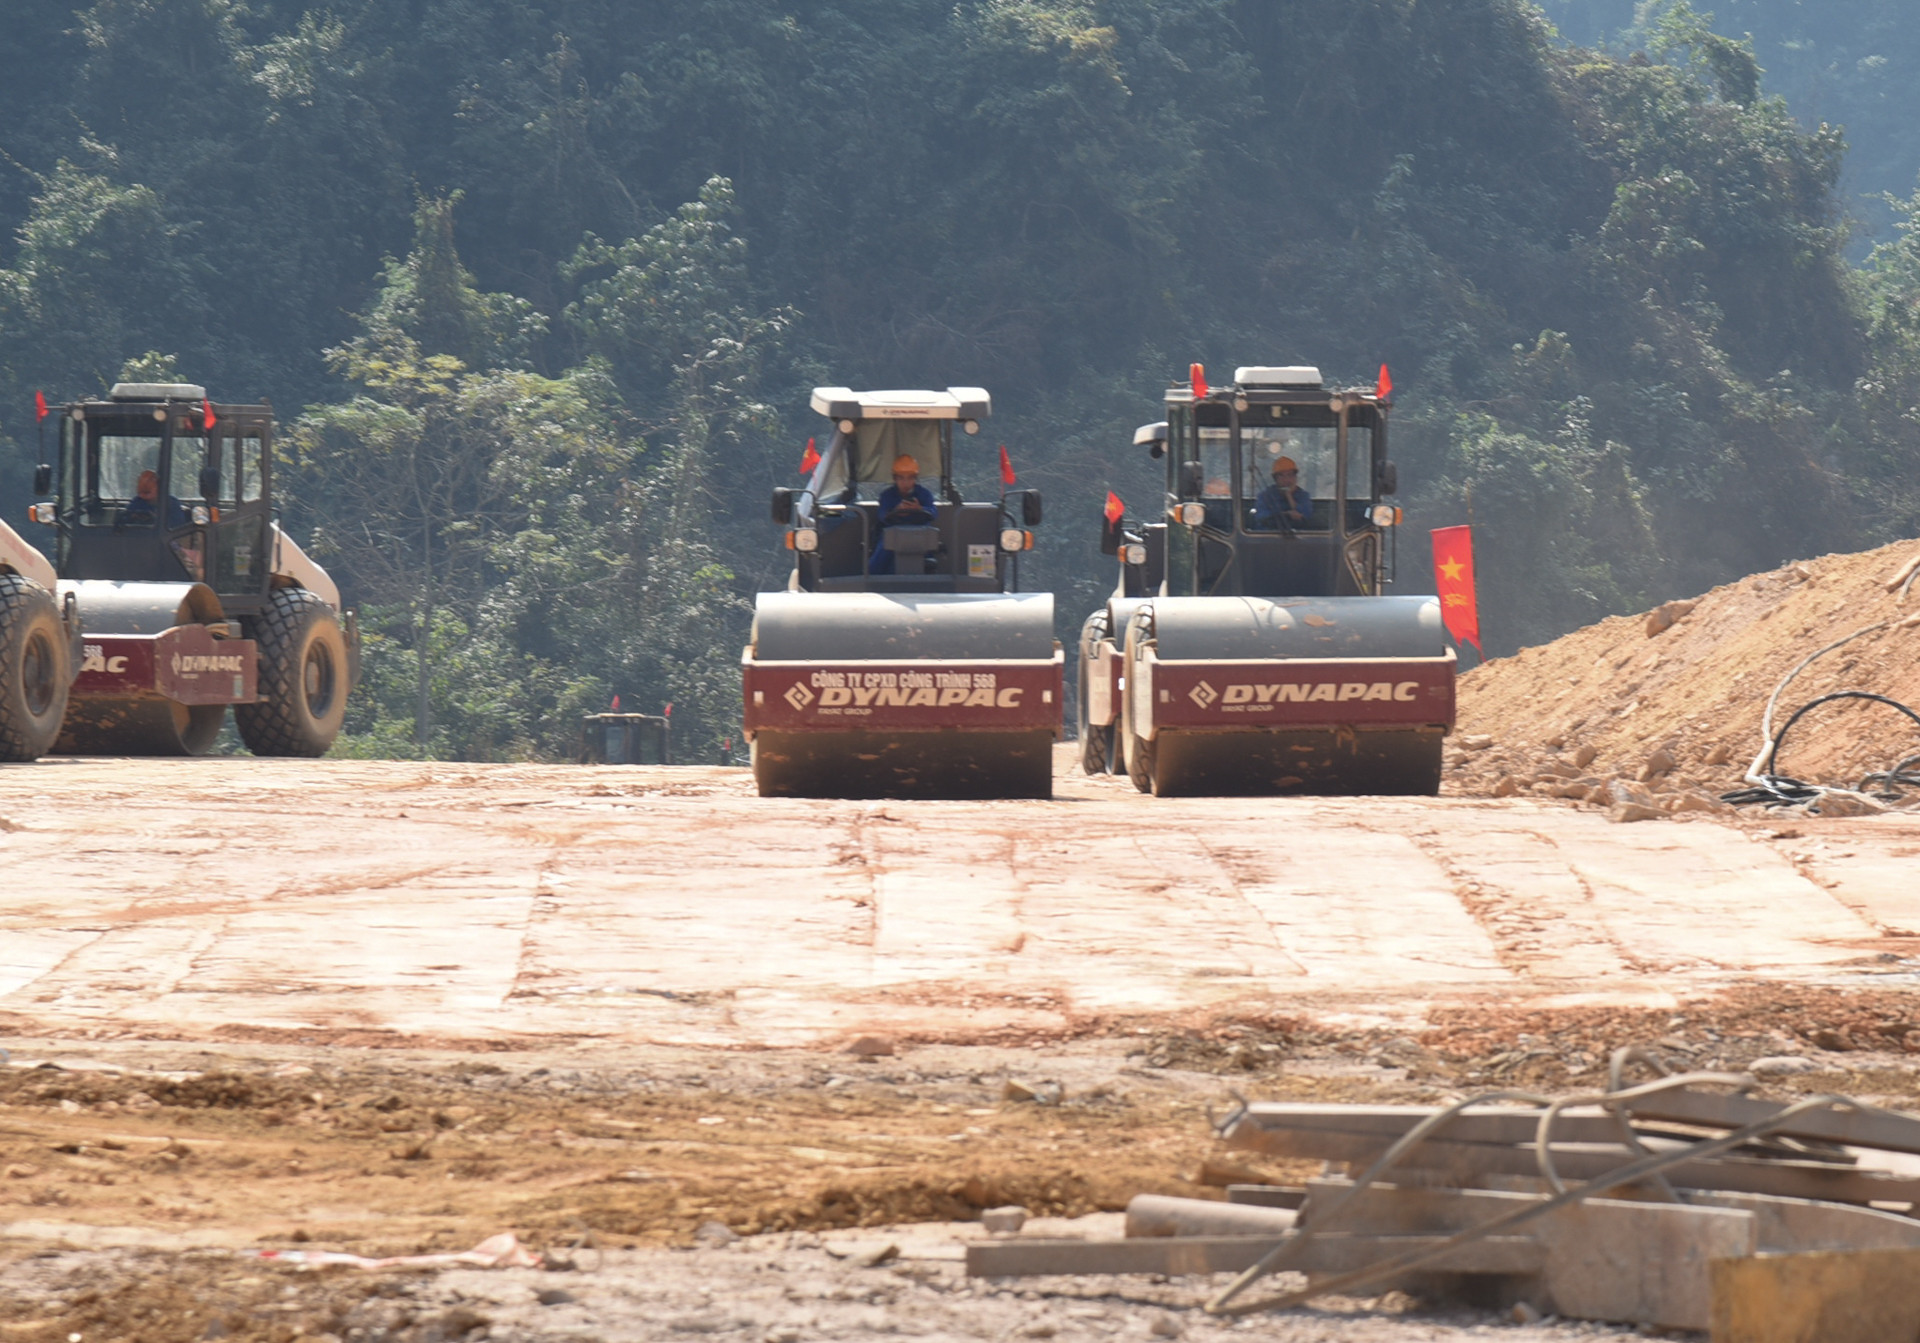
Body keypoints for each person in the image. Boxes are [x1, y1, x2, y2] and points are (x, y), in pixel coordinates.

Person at [869, 454, 937, 574]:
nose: (906, 483)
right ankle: (872, 577)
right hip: (892, 535)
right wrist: (896, 510)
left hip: (920, 534)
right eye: (901, 478)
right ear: (895, 479)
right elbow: (882, 515)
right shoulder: (887, 495)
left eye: (910, 478)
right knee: (883, 546)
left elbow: (933, 513)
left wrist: (919, 508)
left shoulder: (924, 494)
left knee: (930, 542)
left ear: (915, 478)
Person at [1250, 456, 1313, 530]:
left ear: (1295, 477)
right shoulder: (1266, 496)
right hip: (1269, 538)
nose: (1286, 480)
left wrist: (1289, 496)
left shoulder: (1303, 496)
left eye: (1290, 475)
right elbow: (1261, 517)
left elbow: (1306, 516)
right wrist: (1285, 515)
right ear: (1275, 479)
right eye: (1281, 476)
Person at [119, 469, 190, 529]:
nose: (145, 487)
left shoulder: (171, 503)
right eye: (142, 484)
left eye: (150, 483)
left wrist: (156, 519)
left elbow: (177, 527)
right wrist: (131, 517)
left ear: (159, 486)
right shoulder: (137, 502)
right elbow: (124, 520)